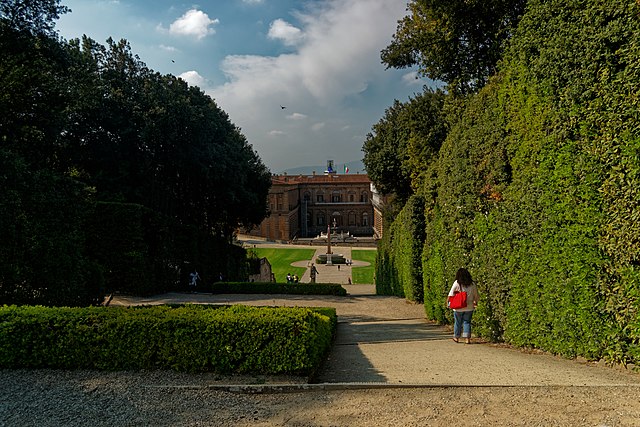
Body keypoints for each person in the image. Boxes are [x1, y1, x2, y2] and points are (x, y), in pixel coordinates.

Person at [447, 267, 479, 344]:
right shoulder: (472, 284)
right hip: (469, 307)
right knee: (467, 322)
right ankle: (467, 338)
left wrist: (448, 302)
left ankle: (456, 337)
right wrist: (476, 302)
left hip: (458, 307)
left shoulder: (457, 283)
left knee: (457, 322)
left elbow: (451, 294)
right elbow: (476, 295)